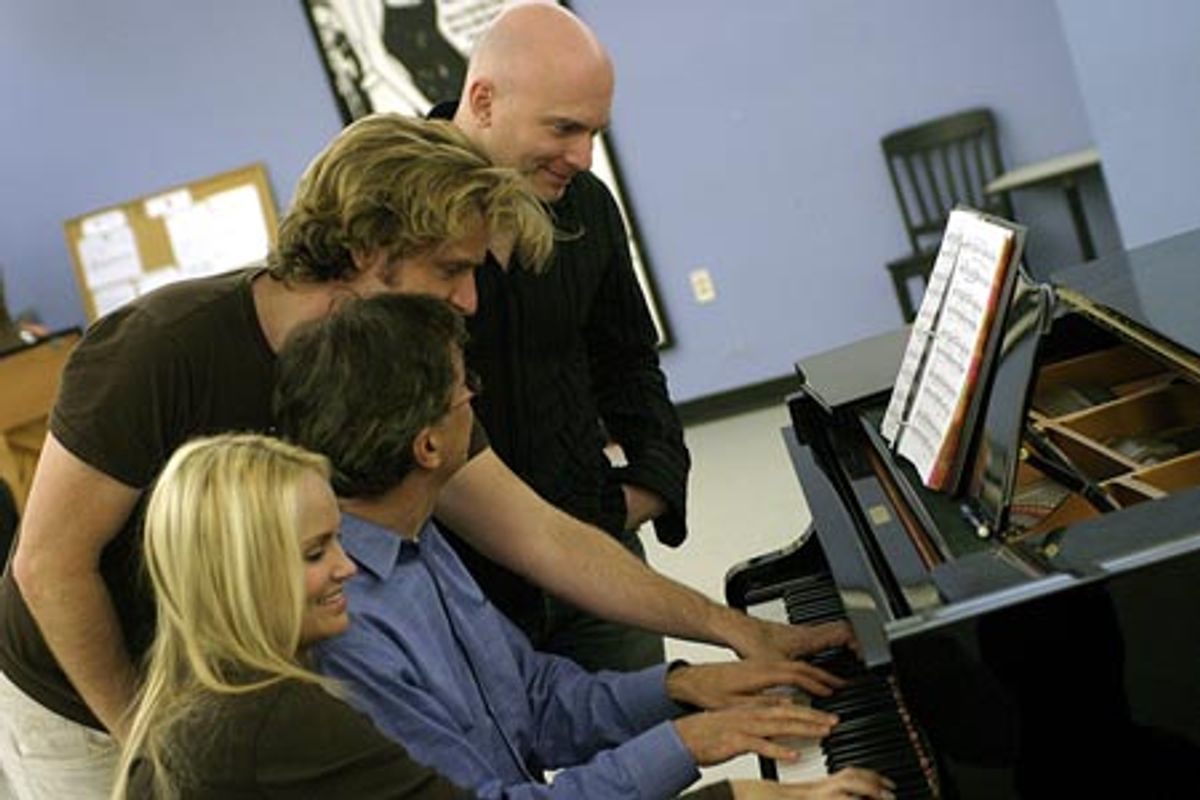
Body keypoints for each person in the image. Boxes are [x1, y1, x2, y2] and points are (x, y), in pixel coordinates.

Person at [0, 112, 844, 796]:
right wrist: (157, 758)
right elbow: (48, 568)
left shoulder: (397, 378)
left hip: (257, 683)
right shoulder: (164, 351)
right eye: (451, 270)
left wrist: (728, 632)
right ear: (367, 249)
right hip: (91, 693)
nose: (471, 300)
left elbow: (541, 536)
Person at [275, 292, 895, 800]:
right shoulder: (345, 624)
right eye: (466, 388)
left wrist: (680, 688)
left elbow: (534, 702)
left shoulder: (417, 534)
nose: (475, 399)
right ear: (428, 448)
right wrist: (693, 750)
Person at [433, 1, 690, 670]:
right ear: (483, 101)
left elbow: (629, 359)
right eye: (564, 129)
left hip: (595, 562)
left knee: (652, 765)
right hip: (457, 594)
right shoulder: (395, 212)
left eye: (595, 132)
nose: (582, 156)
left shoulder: (588, 205)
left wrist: (655, 484)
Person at [111, 434, 471, 799]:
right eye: (315, 553)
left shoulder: (198, 704)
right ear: (244, 577)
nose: (346, 567)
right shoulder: (279, 721)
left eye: (339, 540)